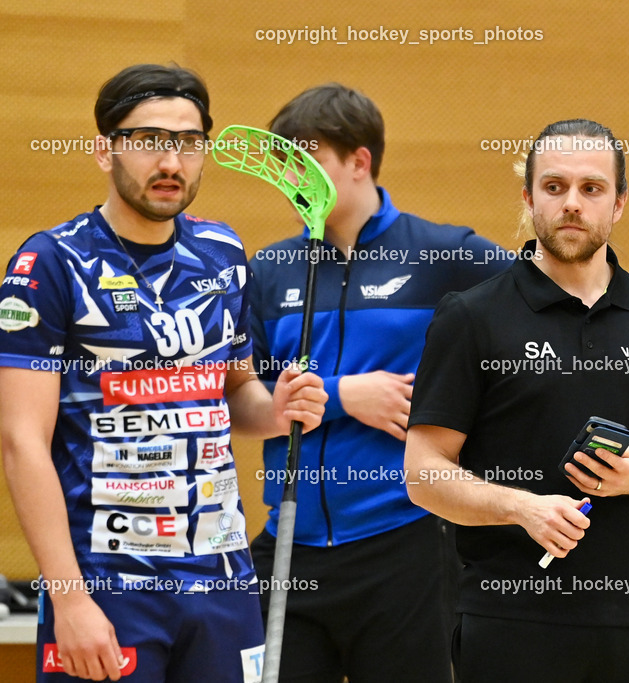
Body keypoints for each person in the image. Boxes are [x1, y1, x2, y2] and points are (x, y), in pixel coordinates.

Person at [0, 63, 327, 682]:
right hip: (107, 583)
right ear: (105, 150)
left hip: (220, 577)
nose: (171, 161)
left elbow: (234, 394)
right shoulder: (50, 263)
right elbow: (22, 443)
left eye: (188, 142)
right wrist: (68, 597)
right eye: (150, 140)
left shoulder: (223, 252)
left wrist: (278, 407)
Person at [404, 118, 629, 683]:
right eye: (554, 187)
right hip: (510, 624)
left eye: (591, 188)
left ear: (619, 203)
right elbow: (424, 474)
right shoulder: (471, 317)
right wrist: (522, 507)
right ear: (528, 198)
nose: (571, 204)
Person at [247, 83, 510, 683]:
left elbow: (540, 309)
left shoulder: (447, 255)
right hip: (292, 549)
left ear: (359, 161)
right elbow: (247, 403)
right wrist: (344, 396)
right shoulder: (267, 271)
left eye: (306, 162)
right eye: (282, 165)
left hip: (406, 546)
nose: (291, 180)